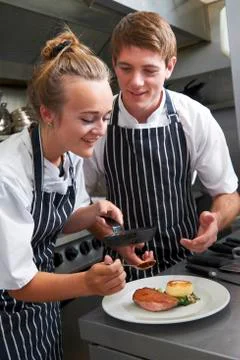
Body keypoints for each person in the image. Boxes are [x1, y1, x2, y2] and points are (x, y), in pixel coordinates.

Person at [84, 11, 240, 282]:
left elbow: (228, 194)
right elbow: (77, 203)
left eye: (149, 70)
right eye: (126, 68)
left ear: (170, 67)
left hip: (187, 266)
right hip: (124, 272)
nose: (136, 82)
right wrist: (112, 237)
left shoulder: (194, 117)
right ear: (113, 63)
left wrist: (215, 222)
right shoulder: (97, 122)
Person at [0, 30, 126, 360]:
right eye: (87, 119)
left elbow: (57, 220)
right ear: (47, 114)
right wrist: (88, 283)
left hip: (42, 307)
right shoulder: (7, 174)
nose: (100, 130)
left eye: (105, 117)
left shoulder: (69, 154)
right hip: (6, 313)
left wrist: (93, 211)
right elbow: (18, 283)